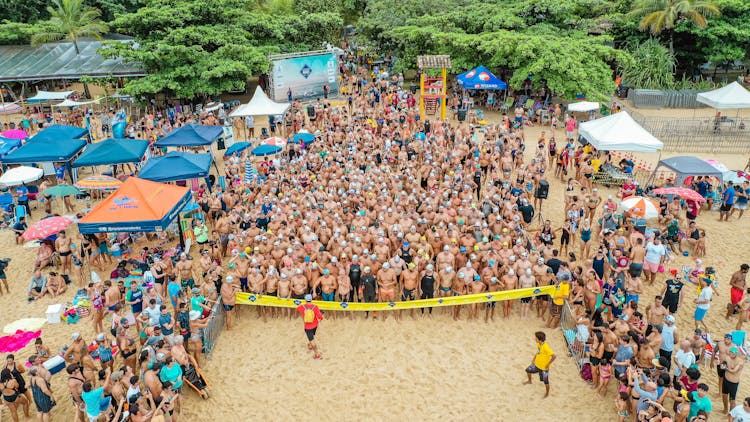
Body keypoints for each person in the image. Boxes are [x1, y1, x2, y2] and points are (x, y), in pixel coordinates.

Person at [524, 331, 555, 398]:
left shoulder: (546, 347)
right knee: (527, 370)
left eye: (536, 338)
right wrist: (533, 359)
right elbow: (538, 352)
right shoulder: (539, 344)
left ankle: (547, 394)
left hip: (544, 368)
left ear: (539, 339)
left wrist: (548, 364)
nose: (535, 339)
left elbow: (554, 356)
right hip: (536, 365)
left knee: (546, 381)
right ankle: (529, 381)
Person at [296, 294, 323, 359]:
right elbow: (320, 317)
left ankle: (317, 354)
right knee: (312, 336)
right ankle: (310, 344)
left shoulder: (302, 307)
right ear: (311, 299)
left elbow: (297, 309)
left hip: (307, 326)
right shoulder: (315, 307)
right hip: (315, 325)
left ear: (305, 300)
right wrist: (320, 320)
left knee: (312, 340)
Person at [722, 346, 745, 413]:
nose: (731, 354)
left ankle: (731, 413)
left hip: (733, 383)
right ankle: (725, 409)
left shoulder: (740, 362)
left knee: (732, 400)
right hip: (726, 380)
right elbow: (722, 365)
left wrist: (725, 368)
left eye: (733, 353)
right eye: (731, 352)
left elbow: (734, 371)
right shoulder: (727, 358)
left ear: (736, 354)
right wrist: (721, 365)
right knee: (724, 396)